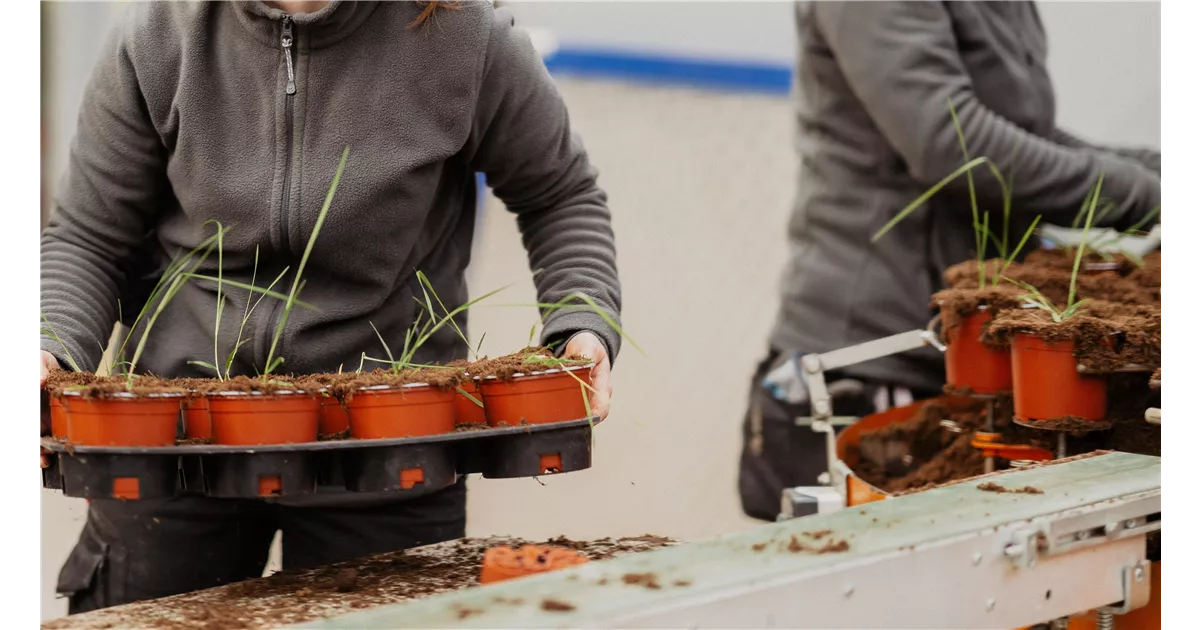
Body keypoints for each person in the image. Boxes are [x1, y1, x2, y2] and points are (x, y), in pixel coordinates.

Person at [39, 0, 622, 612]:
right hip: (175, 439)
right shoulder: (159, 32)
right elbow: (89, 235)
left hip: (391, 444)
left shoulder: (463, 35)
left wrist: (582, 323)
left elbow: (561, 194)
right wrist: (51, 344)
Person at [738, 0, 1164, 521]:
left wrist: (1156, 175)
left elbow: (1023, 132)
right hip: (875, 356)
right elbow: (953, 143)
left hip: (967, 353)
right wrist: (1147, 197)